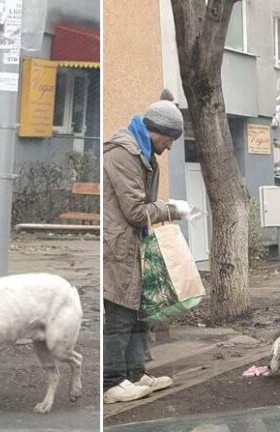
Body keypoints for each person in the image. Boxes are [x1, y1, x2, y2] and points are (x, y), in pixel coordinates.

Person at [103, 89, 192, 404]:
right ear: (158, 132)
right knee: (119, 313)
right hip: (117, 248)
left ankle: (135, 374)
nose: (168, 148)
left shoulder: (141, 152)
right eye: (169, 140)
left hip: (130, 245)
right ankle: (111, 382)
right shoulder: (123, 153)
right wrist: (170, 209)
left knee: (139, 312)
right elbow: (136, 211)